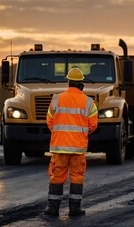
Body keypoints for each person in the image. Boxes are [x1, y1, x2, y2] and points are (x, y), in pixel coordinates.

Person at [44, 67, 98, 216]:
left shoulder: (56, 99)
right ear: (81, 84)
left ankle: (53, 208)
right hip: (78, 148)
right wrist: (80, 133)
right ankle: (74, 209)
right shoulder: (88, 102)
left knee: (57, 176)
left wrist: (61, 134)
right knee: (77, 177)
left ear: (68, 83)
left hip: (59, 148)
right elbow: (93, 125)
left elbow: (50, 121)